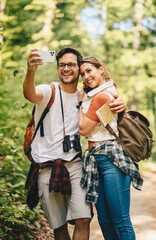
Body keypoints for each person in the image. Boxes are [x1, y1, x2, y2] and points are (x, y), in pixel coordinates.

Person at [23, 47, 126, 240]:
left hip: (75, 165)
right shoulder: (48, 91)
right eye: (62, 65)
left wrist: (121, 103)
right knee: (59, 225)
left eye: (71, 64)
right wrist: (31, 70)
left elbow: (108, 94)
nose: (66, 68)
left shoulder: (86, 95)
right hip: (46, 167)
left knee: (83, 218)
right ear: (57, 69)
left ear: (79, 68)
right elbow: (30, 94)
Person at [77, 56, 143, 240]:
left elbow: (83, 129)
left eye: (89, 71)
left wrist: (78, 103)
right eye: (82, 74)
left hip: (110, 160)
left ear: (100, 69)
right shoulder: (99, 92)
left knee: (120, 221)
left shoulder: (101, 96)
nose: (86, 77)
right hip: (96, 159)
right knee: (105, 221)